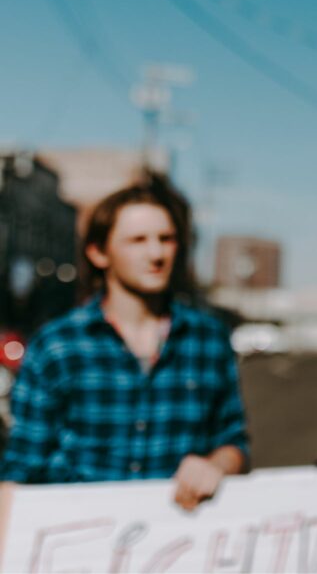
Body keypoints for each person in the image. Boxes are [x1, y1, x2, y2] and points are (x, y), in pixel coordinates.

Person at [0, 179, 249, 511]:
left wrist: (216, 466)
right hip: (79, 544)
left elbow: (234, 443)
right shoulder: (57, 345)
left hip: (179, 542)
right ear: (99, 253)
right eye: (137, 240)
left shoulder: (208, 340)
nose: (156, 253)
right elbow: (23, 466)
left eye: (166, 239)